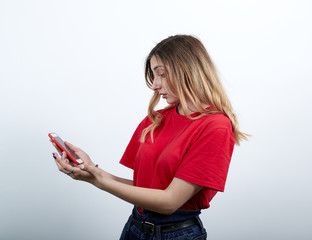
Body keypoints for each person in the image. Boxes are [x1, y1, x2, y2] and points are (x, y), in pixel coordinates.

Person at [51, 34, 247, 240]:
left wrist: (100, 181)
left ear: (188, 71)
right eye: (154, 76)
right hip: (134, 228)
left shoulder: (215, 126)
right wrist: (92, 172)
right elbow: (144, 190)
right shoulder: (155, 120)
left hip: (176, 234)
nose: (154, 85)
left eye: (161, 74)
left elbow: (170, 201)